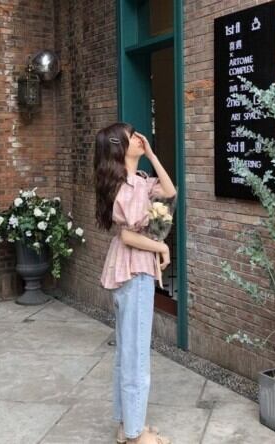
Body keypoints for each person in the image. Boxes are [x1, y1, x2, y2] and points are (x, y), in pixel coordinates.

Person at [94, 122, 177, 444]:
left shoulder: (138, 180)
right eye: (133, 136)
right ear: (120, 146)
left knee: (127, 352)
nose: (139, 138)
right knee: (136, 355)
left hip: (129, 269)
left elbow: (169, 192)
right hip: (134, 270)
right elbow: (128, 236)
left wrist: (152, 155)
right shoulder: (125, 187)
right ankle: (135, 434)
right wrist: (161, 247)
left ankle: (126, 424)